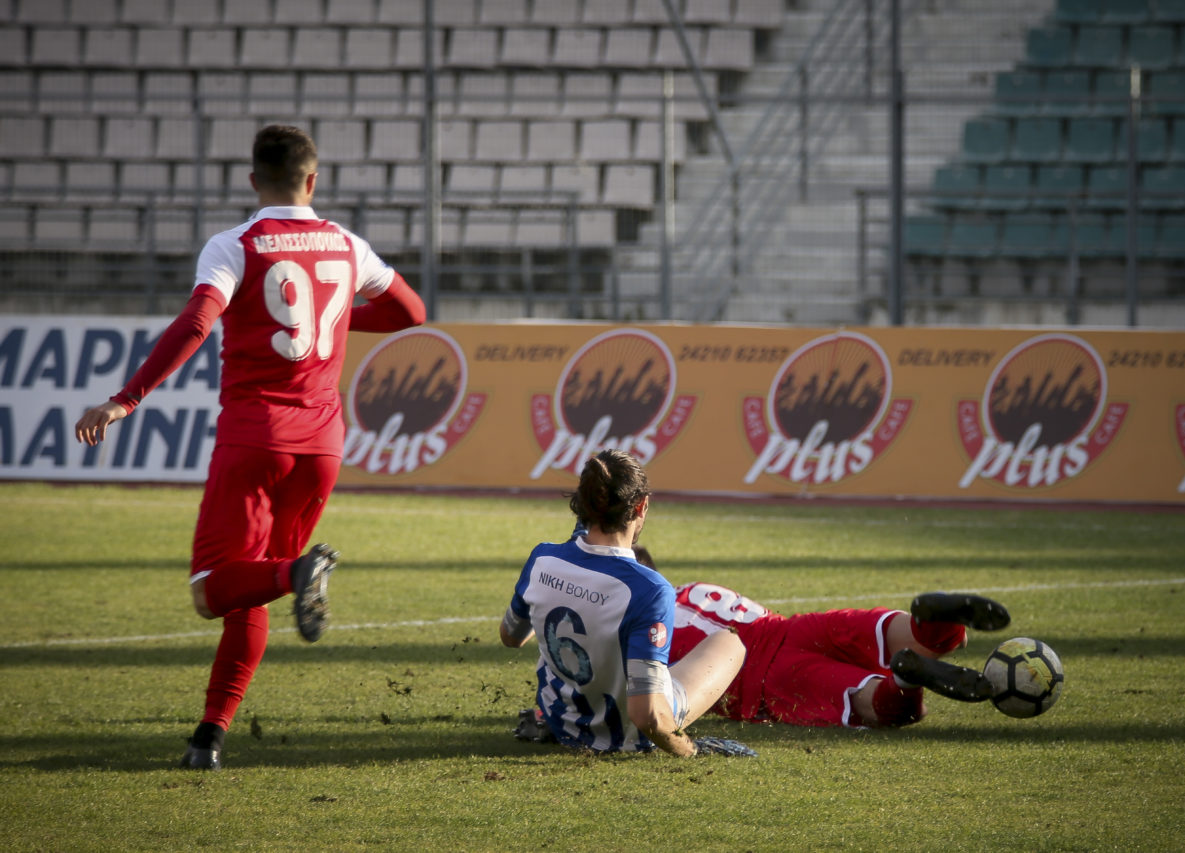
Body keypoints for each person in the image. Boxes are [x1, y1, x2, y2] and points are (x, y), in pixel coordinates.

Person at [74, 125, 427, 770]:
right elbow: (412, 313)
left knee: (214, 589)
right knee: (251, 590)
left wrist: (125, 398)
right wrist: (343, 314)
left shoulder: (235, 244)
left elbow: (196, 322)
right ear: (313, 181)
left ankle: (298, 575)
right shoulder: (347, 245)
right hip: (322, 447)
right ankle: (209, 735)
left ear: (253, 179)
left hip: (254, 439)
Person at [500, 449, 755, 757]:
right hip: (626, 738)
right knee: (729, 642)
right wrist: (693, 750)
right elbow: (646, 716)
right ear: (641, 505)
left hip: (561, 721)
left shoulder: (542, 557)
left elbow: (511, 637)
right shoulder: (649, 588)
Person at [664, 558, 1011, 728]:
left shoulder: (639, 624)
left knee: (878, 704)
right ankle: (935, 620)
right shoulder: (695, 590)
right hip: (796, 628)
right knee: (900, 634)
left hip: (768, 676)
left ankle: (907, 678)